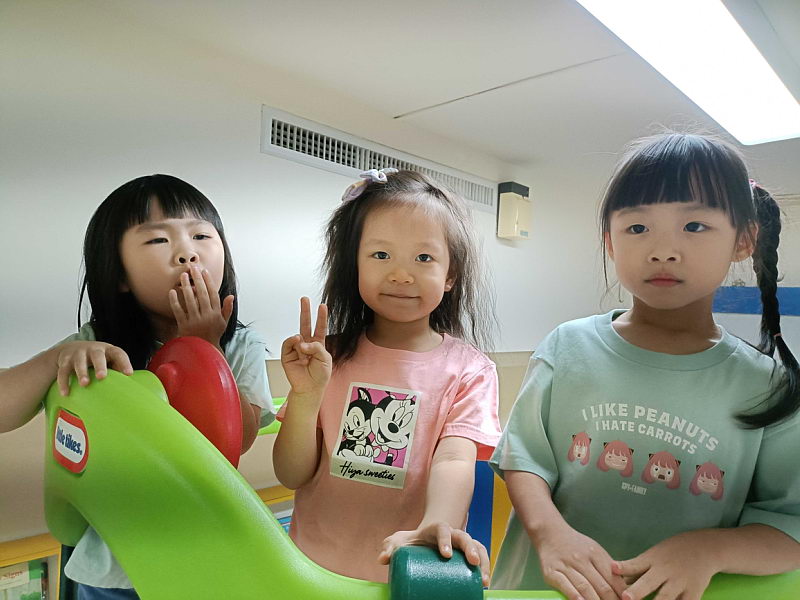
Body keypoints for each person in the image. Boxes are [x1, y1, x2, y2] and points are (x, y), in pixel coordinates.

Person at [490, 133, 800, 600]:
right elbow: (524, 460)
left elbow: (789, 525)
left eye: (694, 225)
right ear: (610, 242)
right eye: (637, 228)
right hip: (539, 591)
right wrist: (550, 534)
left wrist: (709, 550)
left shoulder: (767, 385)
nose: (662, 250)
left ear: (744, 240)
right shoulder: (567, 346)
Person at [0, 174, 274, 599]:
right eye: (158, 240)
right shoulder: (96, 345)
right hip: (112, 564)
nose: (187, 253)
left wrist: (205, 349)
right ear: (120, 275)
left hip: (203, 554)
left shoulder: (240, 345)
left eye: (201, 236)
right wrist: (56, 359)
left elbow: (239, 440)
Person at [273, 169, 501, 584]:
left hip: (406, 573)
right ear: (354, 266)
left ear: (450, 274)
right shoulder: (327, 358)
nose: (401, 274)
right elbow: (291, 475)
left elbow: (454, 459)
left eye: (423, 258)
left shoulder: (470, 371)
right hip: (309, 571)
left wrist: (438, 524)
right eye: (381, 255)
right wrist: (305, 397)